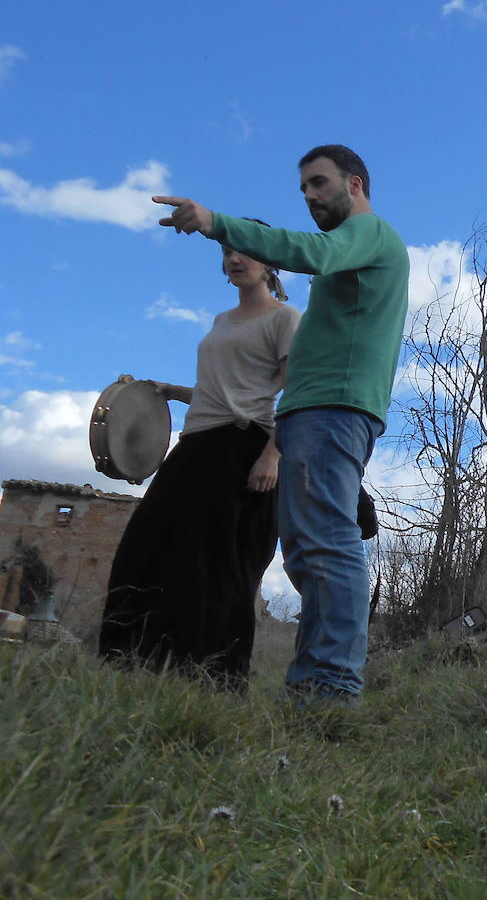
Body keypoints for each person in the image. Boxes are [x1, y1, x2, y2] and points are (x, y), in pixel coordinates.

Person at [154, 144, 409, 702]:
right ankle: (313, 686)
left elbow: (306, 251)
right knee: (308, 550)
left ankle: (331, 688)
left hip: (334, 410)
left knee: (328, 545)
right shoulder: (350, 252)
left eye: (320, 183)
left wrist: (217, 222)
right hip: (313, 412)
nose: (311, 196)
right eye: (304, 189)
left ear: (357, 184)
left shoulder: (370, 234)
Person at [99, 228, 301, 689]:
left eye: (245, 251)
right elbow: (223, 392)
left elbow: (297, 392)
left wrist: (273, 454)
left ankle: (217, 678)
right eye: (228, 251)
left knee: (223, 564)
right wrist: (171, 392)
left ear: (270, 262)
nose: (234, 258)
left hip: (246, 447)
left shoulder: (285, 318)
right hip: (196, 444)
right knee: (147, 548)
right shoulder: (220, 321)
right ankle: (134, 665)